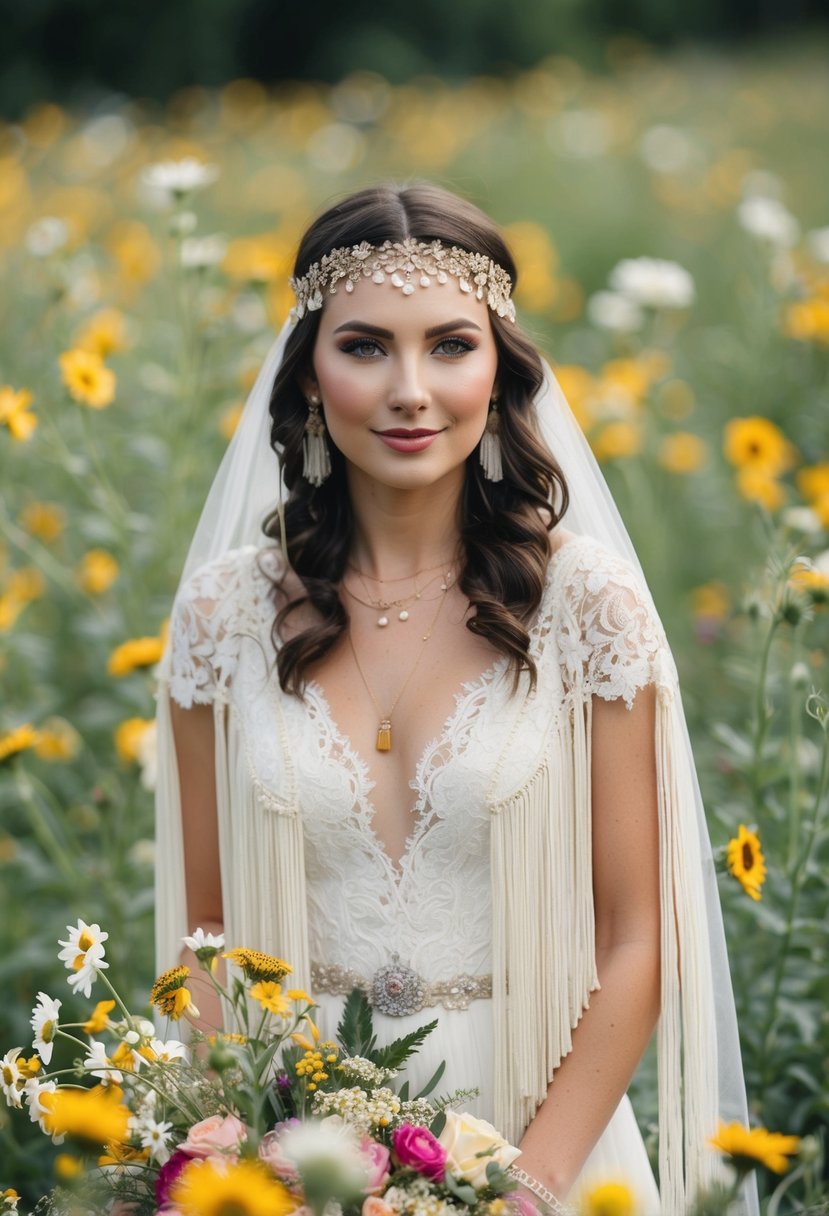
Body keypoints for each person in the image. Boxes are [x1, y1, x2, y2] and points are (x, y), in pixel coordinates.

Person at [155, 183, 755, 1215]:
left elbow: (634, 937)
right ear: (306, 375)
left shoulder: (584, 604)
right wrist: (252, 1157)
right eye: (364, 347)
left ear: (498, 369)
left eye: (447, 345)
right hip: (299, 1145)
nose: (409, 390)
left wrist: (523, 1185)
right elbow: (206, 935)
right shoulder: (222, 614)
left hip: (538, 1132)